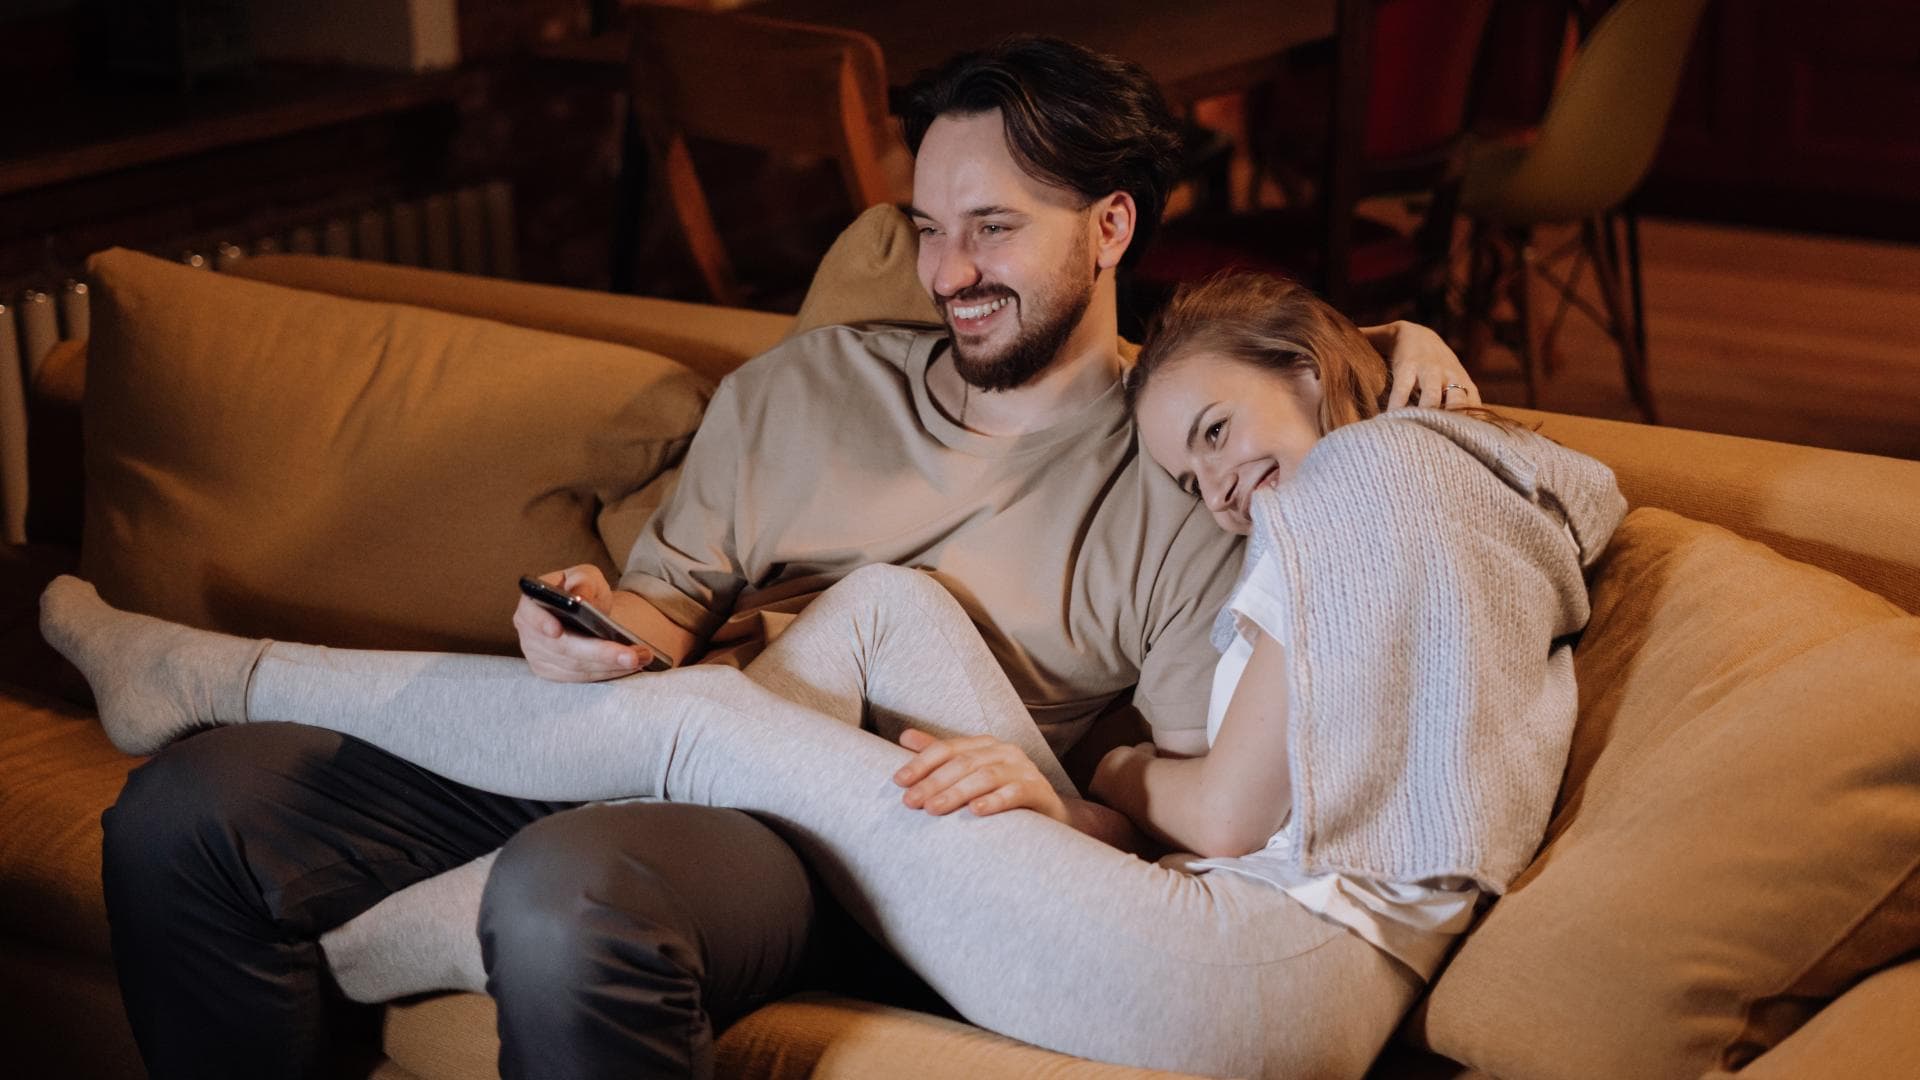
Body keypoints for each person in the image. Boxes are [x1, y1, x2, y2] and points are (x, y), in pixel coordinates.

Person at [82, 37, 1481, 1080]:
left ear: (1111, 225)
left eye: (993, 229)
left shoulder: (1178, 482)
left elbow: (1184, 833)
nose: (950, 274)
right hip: (627, 735)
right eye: (929, 230)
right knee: (187, 813)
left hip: (823, 841)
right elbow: (663, 610)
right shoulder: (809, 387)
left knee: (574, 896)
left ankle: (233, 688)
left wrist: (1402, 352)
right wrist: (591, 622)